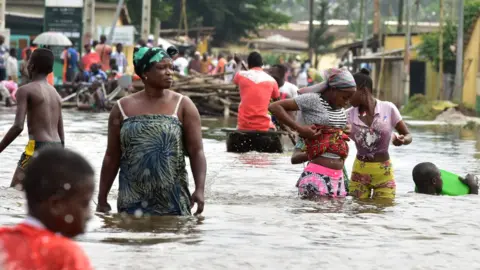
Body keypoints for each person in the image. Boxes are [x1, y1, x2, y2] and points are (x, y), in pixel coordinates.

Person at [97, 46, 207, 216]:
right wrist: (102, 198)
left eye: (171, 67)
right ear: (145, 73)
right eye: (162, 68)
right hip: (131, 204)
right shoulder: (122, 108)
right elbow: (112, 156)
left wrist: (200, 190)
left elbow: (197, 151)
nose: (169, 72)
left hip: (174, 203)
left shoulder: (183, 105)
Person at [269, 68, 356, 199]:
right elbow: (274, 107)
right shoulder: (313, 100)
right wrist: (299, 128)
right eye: (344, 97)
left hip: (337, 176)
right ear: (333, 90)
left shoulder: (339, 108)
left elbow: (336, 131)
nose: (347, 102)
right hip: (317, 175)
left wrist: (345, 129)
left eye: (350, 98)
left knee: (336, 219)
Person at [0, 148, 94, 269]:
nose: (89, 214)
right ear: (56, 205)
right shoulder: (67, 255)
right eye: (85, 204)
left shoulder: (3, 241)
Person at [0, 48, 64, 188]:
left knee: (15, 189)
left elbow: (18, 126)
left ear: (31, 66)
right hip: (57, 148)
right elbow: (61, 131)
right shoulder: (55, 93)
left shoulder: (25, 90)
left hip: (37, 146)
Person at [347, 68, 412, 199]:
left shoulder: (388, 108)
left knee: (384, 213)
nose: (347, 98)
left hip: (384, 172)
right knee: (357, 214)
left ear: (362, 89)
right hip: (359, 172)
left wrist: (403, 140)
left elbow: (408, 135)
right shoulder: (348, 115)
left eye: (350, 93)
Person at [234, 51, 280, 131]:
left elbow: (235, 75)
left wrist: (239, 63)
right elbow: (278, 103)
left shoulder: (241, 75)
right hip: (265, 127)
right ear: (262, 64)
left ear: (248, 64)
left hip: (244, 126)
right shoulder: (272, 80)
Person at [412, 162, 479, 195]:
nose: (443, 180)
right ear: (434, 181)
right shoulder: (441, 200)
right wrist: (474, 187)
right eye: (440, 176)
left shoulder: (411, 195)